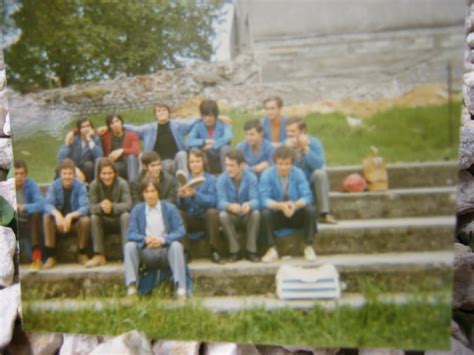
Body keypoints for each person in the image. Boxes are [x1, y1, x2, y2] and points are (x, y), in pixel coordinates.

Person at [123, 176, 188, 300]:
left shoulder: (169, 208)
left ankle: (181, 289)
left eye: (153, 191)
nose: (150, 195)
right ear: (142, 194)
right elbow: (131, 233)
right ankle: (131, 288)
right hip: (146, 252)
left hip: (165, 252)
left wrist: (163, 240)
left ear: (158, 192)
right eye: (146, 192)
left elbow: (180, 230)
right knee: (129, 246)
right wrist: (145, 239)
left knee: (177, 246)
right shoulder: (137, 210)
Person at [259, 146, 317, 263]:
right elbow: (263, 199)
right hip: (277, 214)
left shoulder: (298, 173)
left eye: (287, 164)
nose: (283, 167)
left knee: (310, 210)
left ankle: (308, 246)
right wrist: (280, 206)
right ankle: (271, 249)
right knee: (265, 213)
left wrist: (294, 205)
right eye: (280, 164)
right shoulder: (267, 174)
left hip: (295, 213)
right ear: (275, 163)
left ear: (292, 163)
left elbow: (307, 196)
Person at [285, 116, 337, 224]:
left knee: (320, 174)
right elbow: (278, 168)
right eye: (287, 131)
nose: (289, 134)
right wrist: (286, 150)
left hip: (310, 185)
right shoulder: (285, 145)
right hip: (293, 188)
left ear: (303, 131)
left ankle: (324, 213)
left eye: (293, 131)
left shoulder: (314, 143)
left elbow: (319, 165)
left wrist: (306, 149)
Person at [43, 159, 90, 269]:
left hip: (74, 223)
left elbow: (85, 207)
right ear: (60, 174)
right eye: (64, 174)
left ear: (74, 174)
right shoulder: (54, 186)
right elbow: (47, 204)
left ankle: (82, 253)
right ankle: (51, 256)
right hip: (58, 224)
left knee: (85, 220)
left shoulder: (80, 186)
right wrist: (57, 214)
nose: (67, 177)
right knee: (47, 217)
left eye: (70, 174)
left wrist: (70, 216)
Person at [177, 148, 222, 264]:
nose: (195, 165)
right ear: (188, 164)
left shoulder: (211, 179)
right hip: (191, 218)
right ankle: (186, 251)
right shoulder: (184, 179)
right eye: (192, 162)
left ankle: (214, 250)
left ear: (203, 163)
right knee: (178, 213)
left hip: (205, 218)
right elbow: (181, 206)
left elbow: (213, 201)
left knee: (213, 212)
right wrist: (181, 198)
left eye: (198, 161)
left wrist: (195, 195)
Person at [124, 103, 193, 175]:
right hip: (157, 164)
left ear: (168, 113)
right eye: (159, 111)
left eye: (164, 110)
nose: (162, 112)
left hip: (175, 162)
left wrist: (202, 117)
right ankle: (142, 182)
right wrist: (120, 124)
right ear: (155, 115)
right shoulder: (149, 128)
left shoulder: (177, 125)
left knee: (182, 154)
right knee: (143, 156)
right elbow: (135, 129)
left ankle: (185, 181)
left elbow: (191, 124)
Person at [216, 150, 260, 262]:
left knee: (256, 213)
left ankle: (251, 251)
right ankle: (235, 251)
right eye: (226, 165)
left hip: (246, 215)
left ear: (242, 165)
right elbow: (220, 202)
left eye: (232, 165)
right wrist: (230, 206)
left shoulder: (251, 177)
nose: (228, 169)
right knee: (222, 215)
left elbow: (256, 200)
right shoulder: (221, 179)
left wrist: (249, 204)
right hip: (232, 216)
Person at [87, 158, 132, 268]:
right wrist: (101, 207)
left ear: (115, 173)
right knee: (93, 217)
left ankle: (128, 255)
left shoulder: (122, 183)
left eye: (110, 173)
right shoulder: (94, 184)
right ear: (99, 174)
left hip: (119, 220)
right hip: (104, 221)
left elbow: (128, 205)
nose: (107, 177)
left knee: (126, 216)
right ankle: (99, 255)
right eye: (104, 173)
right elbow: (91, 207)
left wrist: (112, 207)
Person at [186, 99, 232, 174]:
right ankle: (196, 176)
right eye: (205, 116)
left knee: (226, 148)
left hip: (220, 157)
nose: (207, 119)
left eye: (210, 116)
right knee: (194, 149)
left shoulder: (223, 123)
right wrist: (204, 141)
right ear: (202, 116)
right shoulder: (198, 125)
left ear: (215, 115)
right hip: (205, 158)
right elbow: (188, 141)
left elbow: (228, 137)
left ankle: (227, 176)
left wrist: (213, 145)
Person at [14, 160, 44, 271]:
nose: (18, 177)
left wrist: (23, 207)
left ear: (26, 175)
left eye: (21, 174)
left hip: (29, 222)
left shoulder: (31, 185)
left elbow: (41, 204)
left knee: (35, 215)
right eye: (15, 174)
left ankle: (37, 259)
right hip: (14, 221)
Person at [58, 118, 103, 183]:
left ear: (91, 128)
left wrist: (89, 140)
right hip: (72, 166)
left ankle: (89, 185)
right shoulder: (74, 138)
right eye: (83, 127)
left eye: (88, 126)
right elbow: (61, 158)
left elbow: (99, 155)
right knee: (59, 168)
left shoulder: (95, 139)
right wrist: (67, 143)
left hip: (85, 168)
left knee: (89, 165)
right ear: (79, 129)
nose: (86, 129)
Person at [99, 114, 140, 182]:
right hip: (113, 164)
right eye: (112, 123)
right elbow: (87, 130)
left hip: (128, 163)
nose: (115, 125)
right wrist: (74, 131)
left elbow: (136, 150)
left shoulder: (132, 135)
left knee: (131, 157)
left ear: (121, 122)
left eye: (117, 121)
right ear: (109, 126)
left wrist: (122, 150)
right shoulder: (105, 135)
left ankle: (133, 185)